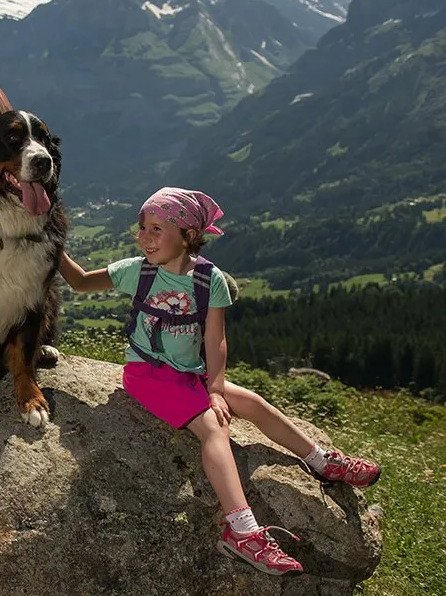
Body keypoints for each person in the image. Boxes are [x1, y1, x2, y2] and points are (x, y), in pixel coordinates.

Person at [59, 187, 380, 577]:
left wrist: (214, 388)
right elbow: (78, 282)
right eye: (142, 227)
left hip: (191, 374)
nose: (145, 236)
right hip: (145, 374)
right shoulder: (135, 270)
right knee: (214, 427)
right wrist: (47, 242)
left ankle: (320, 460)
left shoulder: (211, 280)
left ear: (189, 234)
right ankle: (242, 530)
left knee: (253, 403)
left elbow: (216, 339)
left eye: (158, 228)